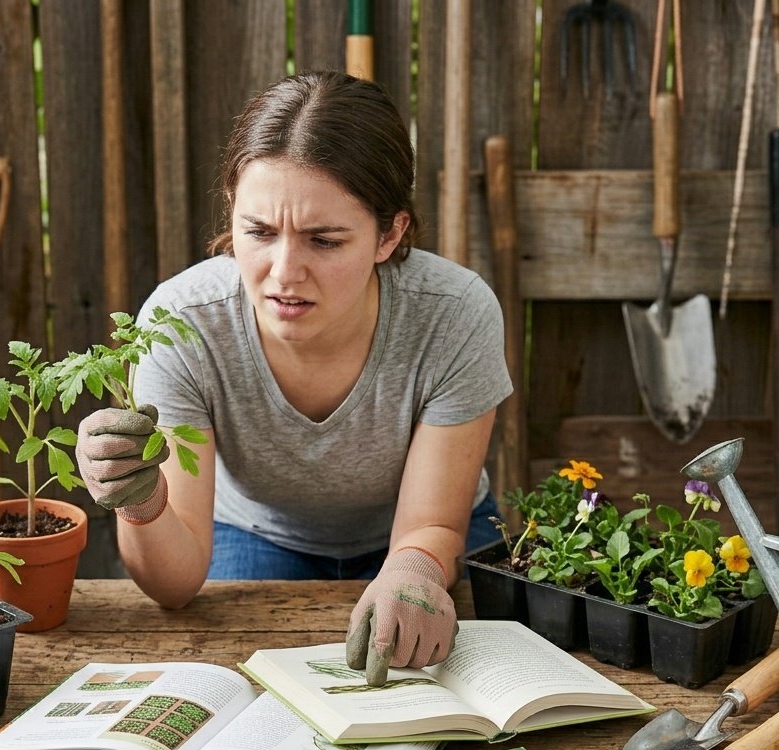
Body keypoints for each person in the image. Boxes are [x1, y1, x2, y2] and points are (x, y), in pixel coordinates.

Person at [76, 70, 512, 686]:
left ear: (389, 234)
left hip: (428, 536)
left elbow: (432, 525)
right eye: (258, 232)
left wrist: (414, 567)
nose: (284, 273)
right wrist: (143, 501)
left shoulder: (455, 313)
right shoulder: (182, 323)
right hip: (256, 533)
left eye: (324, 241)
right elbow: (174, 586)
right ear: (232, 208)